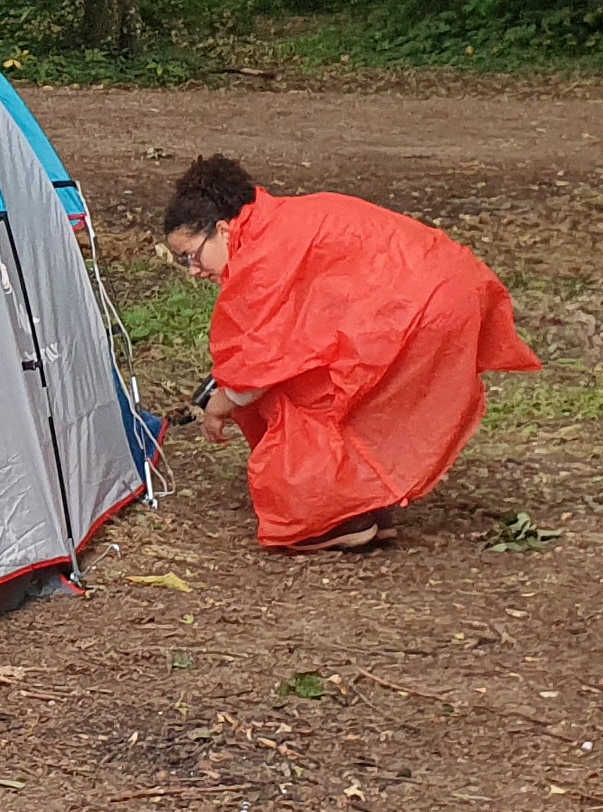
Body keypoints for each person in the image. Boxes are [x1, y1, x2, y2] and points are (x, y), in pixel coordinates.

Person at [159, 156, 538, 552]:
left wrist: (220, 404)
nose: (192, 270)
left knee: (298, 395)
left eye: (190, 255)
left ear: (222, 230)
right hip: (443, 291)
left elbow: (261, 368)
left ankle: (326, 516)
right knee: (337, 388)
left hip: (416, 312)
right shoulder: (278, 225)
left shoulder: (262, 254)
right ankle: (362, 504)